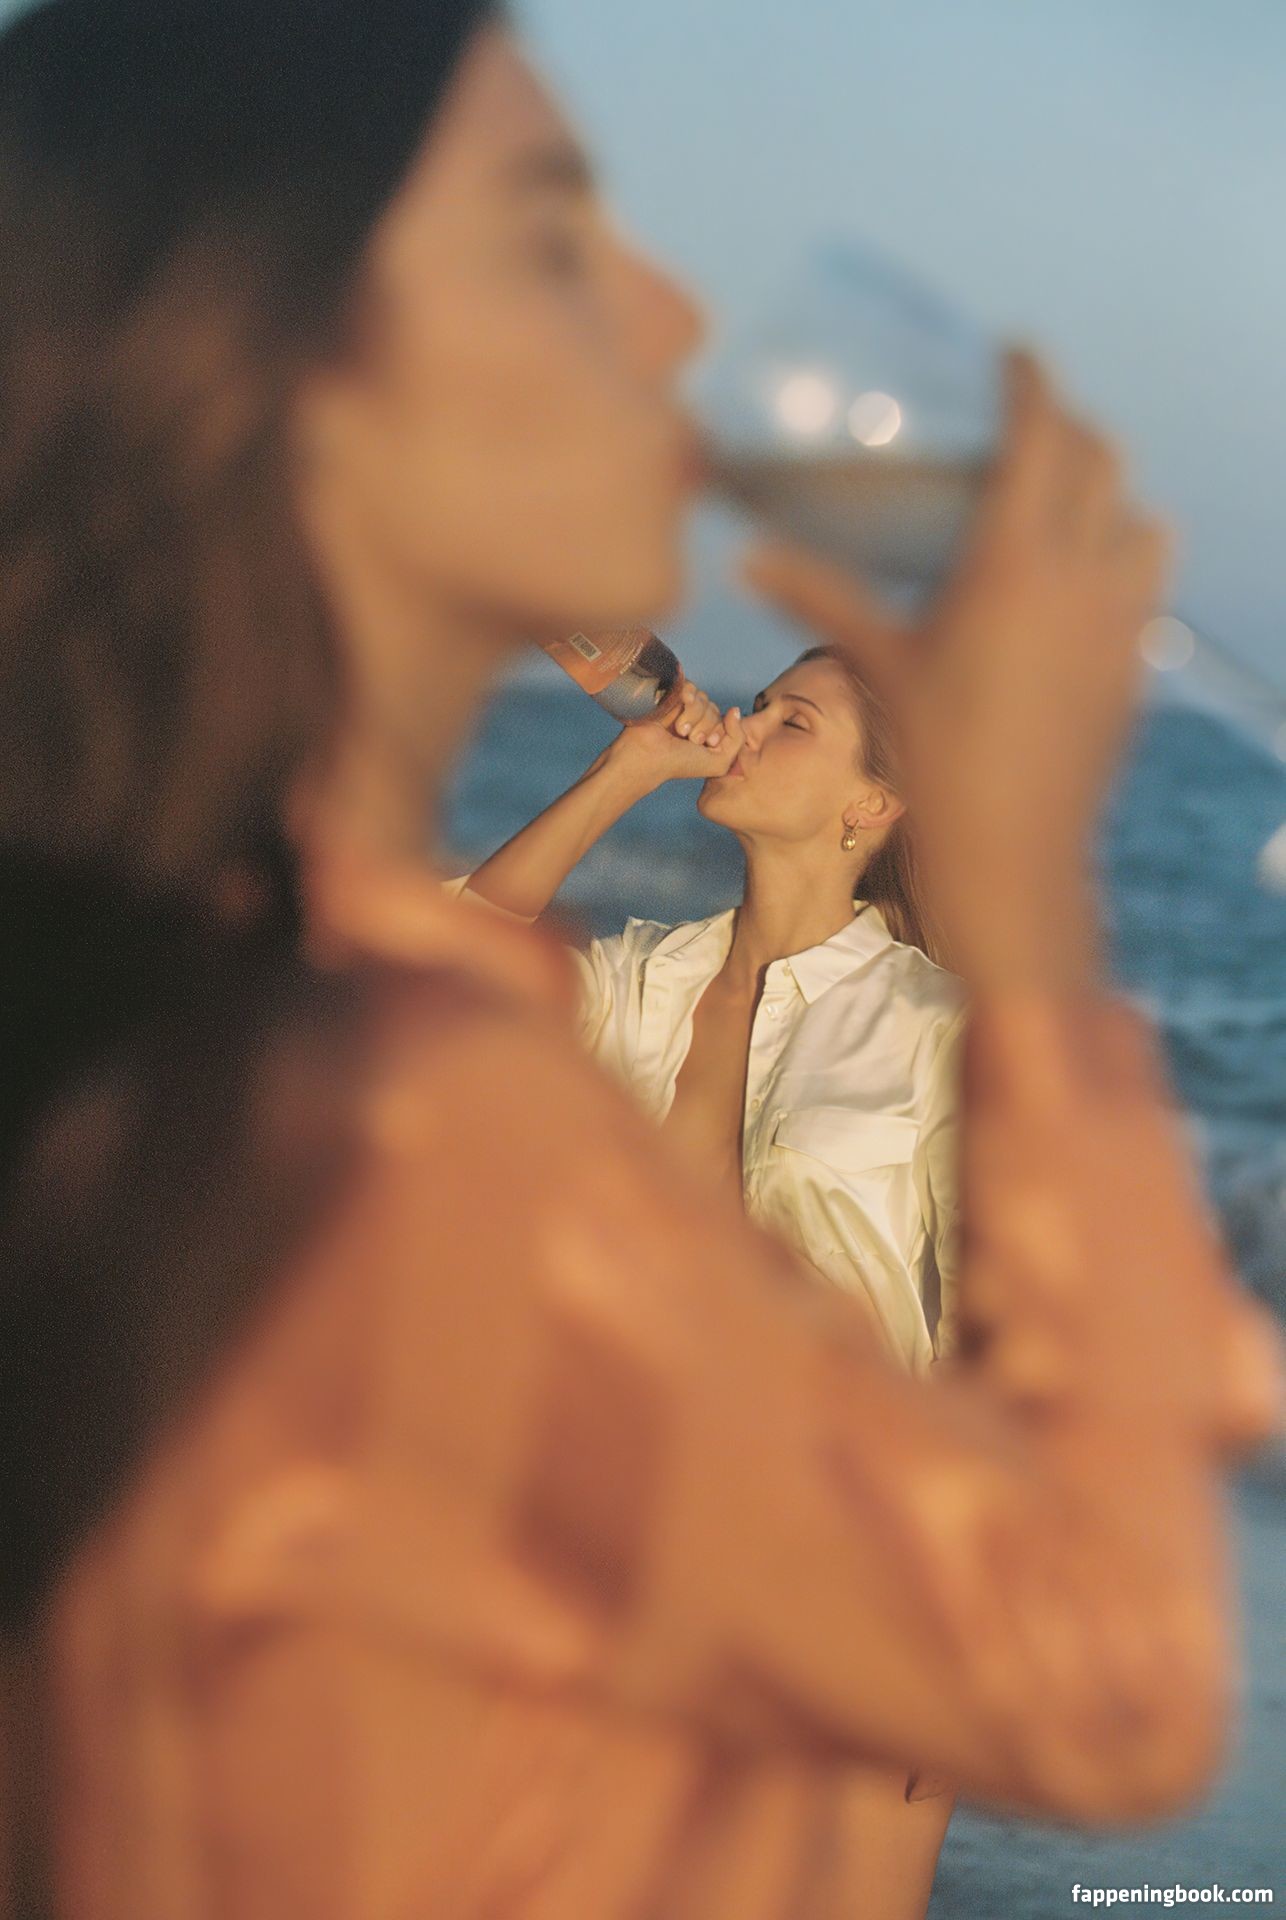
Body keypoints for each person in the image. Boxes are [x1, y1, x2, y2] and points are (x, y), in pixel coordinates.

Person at [0, 5, 1279, 1920]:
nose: (674, 314)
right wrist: (1026, 896)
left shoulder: (233, 1006)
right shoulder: (389, 1104)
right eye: (551, 239)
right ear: (285, 365)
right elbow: (1111, 1687)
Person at [455, 644, 965, 1377]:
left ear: (873, 802)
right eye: (759, 706)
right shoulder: (638, 984)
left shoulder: (937, 1028)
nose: (742, 727)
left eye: (793, 723)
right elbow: (450, 973)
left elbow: (994, 1330)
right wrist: (626, 770)